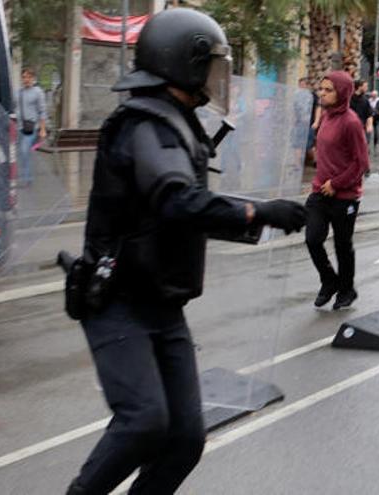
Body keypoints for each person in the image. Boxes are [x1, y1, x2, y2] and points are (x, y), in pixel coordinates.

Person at [65, 10, 307, 494]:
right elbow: (176, 199)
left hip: (163, 304)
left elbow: (184, 214)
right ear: (185, 64)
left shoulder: (177, 121)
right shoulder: (144, 125)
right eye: (213, 65)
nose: (219, 77)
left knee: (185, 439)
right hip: (119, 300)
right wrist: (257, 213)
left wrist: (259, 220)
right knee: (143, 421)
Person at [306, 71, 369, 310]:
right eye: (321, 89)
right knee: (313, 239)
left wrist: (337, 183)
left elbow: (360, 162)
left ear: (342, 92)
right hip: (319, 192)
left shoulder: (351, 122)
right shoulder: (325, 116)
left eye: (328, 90)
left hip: (345, 196)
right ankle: (329, 281)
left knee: (343, 245)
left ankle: (346, 289)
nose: (322, 93)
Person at [16, 67, 47, 186]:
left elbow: (42, 111)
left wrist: (43, 129)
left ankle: (27, 179)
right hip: (20, 127)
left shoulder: (38, 92)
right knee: (22, 153)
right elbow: (16, 108)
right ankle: (26, 176)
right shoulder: (19, 92)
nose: (26, 79)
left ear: (33, 78)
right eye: (24, 77)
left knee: (24, 151)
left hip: (32, 127)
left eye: (28, 77)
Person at [349, 79, 374, 154]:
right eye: (365, 86)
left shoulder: (365, 100)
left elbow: (369, 114)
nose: (367, 88)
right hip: (350, 129)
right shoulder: (349, 99)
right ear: (360, 87)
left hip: (361, 128)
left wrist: (369, 125)